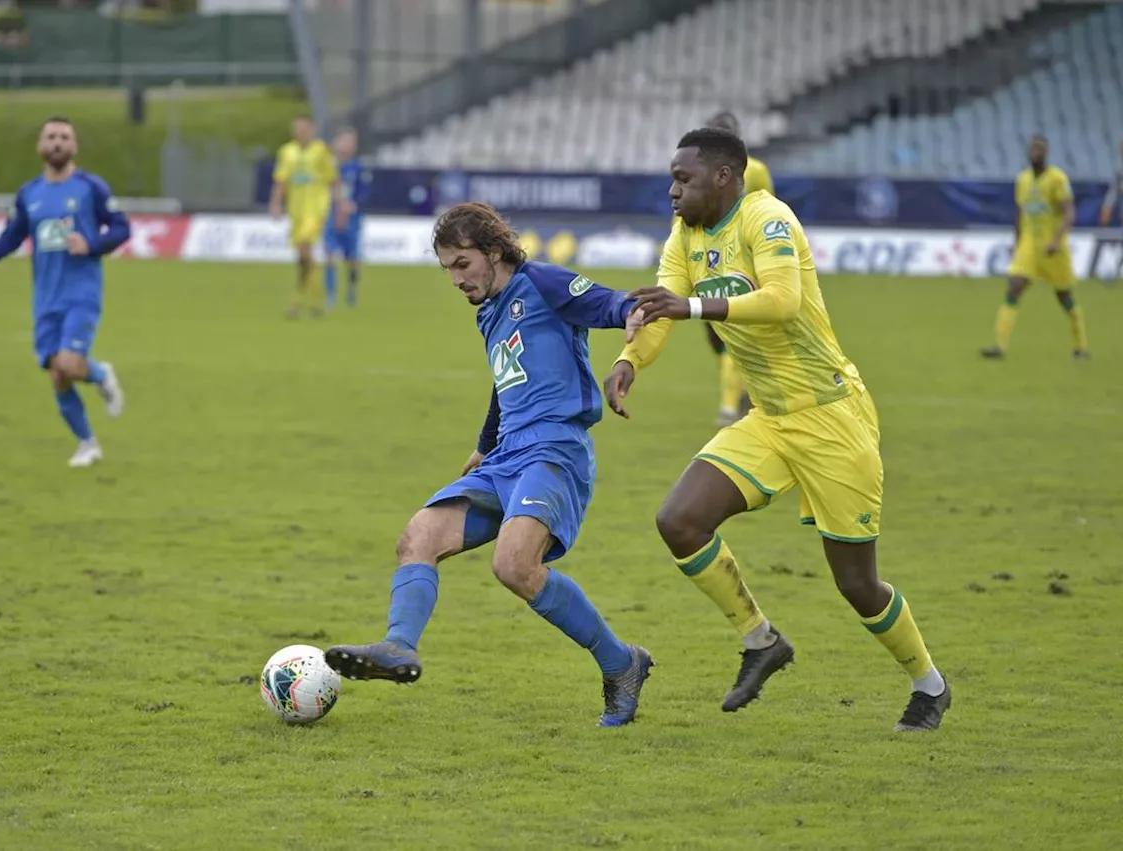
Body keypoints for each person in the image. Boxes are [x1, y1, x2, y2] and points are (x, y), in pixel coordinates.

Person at [604, 128, 950, 732]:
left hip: (832, 418)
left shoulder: (767, 218)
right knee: (679, 521)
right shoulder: (685, 237)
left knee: (857, 584)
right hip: (769, 417)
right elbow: (662, 308)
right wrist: (631, 359)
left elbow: (784, 300)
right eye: (672, 178)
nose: (672, 190)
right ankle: (761, 641)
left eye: (683, 179)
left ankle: (930, 686)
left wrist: (691, 308)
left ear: (723, 177)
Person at [325, 202, 653, 728]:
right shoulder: (489, 313)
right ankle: (398, 646)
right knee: (419, 535)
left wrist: (629, 314)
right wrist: (482, 447)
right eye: (447, 269)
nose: (456, 279)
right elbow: (506, 385)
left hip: (553, 450)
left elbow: (603, 302)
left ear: (494, 252)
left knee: (514, 566)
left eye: (462, 264)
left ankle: (621, 664)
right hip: (506, 456)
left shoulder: (539, 282)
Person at [0, 117, 129, 468]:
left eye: (64, 137)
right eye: (51, 137)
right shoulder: (29, 194)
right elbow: (12, 236)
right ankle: (87, 444)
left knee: (69, 363)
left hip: (82, 292)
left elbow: (122, 228)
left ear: (74, 147)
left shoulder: (90, 188)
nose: (57, 143)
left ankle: (101, 374)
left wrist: (92, 244)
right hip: (45, 298)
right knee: (58, 374)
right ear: (40, 146)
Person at [981, 135, 1087, 359]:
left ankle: (1081, 346)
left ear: (1046, 152)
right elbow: (1020, 214)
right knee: (1014, 286)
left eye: (1038, 149)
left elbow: (1069, 212)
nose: (1034, 152)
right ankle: (999, 346)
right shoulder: (1023, 180)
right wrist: (1018, 244)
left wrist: (1056, 240)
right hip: (1029, 244)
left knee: (1064, 296)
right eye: (1031, 149)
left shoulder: (1057, 178)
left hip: (1053, 247)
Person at [704, 111, 774, 427]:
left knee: (734, 337)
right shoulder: (696, 174)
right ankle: (748, 392)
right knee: (721, 343)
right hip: (707, 270)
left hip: (742, 270)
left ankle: (730, 407)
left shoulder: (756, 171)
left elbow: (770, 215)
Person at [268, 115, 345, 318]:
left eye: (303, 128)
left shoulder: (321, 151)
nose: (299, 132)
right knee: (305, 255)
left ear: (311, 129)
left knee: (304, 246)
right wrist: (276, 203)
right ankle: (316, 301)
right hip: (296, 211)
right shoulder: (287, 152)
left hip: (316, 210)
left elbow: (334, 181)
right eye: (296, 128)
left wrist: (340, 206)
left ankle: (297, 301)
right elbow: (281, 180)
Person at [323, 127, 370, 309]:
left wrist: (354, 205)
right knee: (330, 254)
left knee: (352, 258)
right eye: (346, 140)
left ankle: (351, 291)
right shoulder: (329, 166)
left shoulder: (358, 167)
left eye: (352, 141)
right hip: (331, 214)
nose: (349, 145)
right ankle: (331, 295)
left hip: (352, 216)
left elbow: (364, 192)